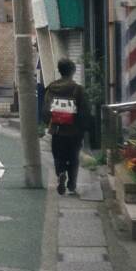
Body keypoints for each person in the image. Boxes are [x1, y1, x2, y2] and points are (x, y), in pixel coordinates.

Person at [42, 57, 89, 195]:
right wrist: (83, 128)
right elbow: (85, 110)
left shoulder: (51, 88)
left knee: (58, 156)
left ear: (60, 71)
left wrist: (48, 123)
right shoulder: (78, 89)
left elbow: (46, 109)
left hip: (57, 130)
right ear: (73, 71)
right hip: (74, 131)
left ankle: (61, 173)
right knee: (74, 157)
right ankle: (72, 184)